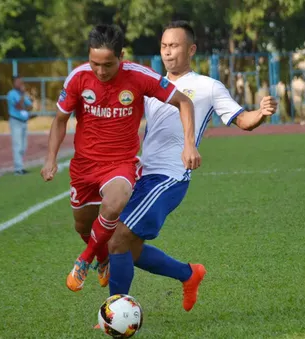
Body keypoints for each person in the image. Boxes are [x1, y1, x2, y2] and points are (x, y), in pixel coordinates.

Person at [105, 21, 278, 313]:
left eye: (174, 46)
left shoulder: (208, 87)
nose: (168, 52)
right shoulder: (153, 84)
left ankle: (112, 313)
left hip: (170, 177)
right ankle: (189, 274)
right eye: (163, 46)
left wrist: (261, 113)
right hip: (142, 174)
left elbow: (243, 120)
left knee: (119, 238)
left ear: (191, 49)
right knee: (129, 248)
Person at [40, 24, 202, 293]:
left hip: (120, 165)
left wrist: (188, 145)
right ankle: (102, 258)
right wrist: (50, 159)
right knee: (83, 224)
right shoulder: (78, 78)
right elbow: (60, 120)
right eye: (95, 64)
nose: (101, 71)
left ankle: (85, 259)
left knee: (115, 206)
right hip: (84, 167)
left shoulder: (139, 76)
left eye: (108, 65)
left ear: (121, 56)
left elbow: (184, 101)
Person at [6, 76, 33, 175]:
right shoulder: (11, 94)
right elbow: (19, 106)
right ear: (13, 83)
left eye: (21, 82)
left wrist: (27, 109)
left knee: (23, 146)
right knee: (17, 145)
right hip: (15, 121)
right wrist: (22, 96)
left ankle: (21, 166)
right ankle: (18, 168)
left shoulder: (23, 95)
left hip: (23, 121)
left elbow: (30, 105)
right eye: (18, 82)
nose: (20, 84)